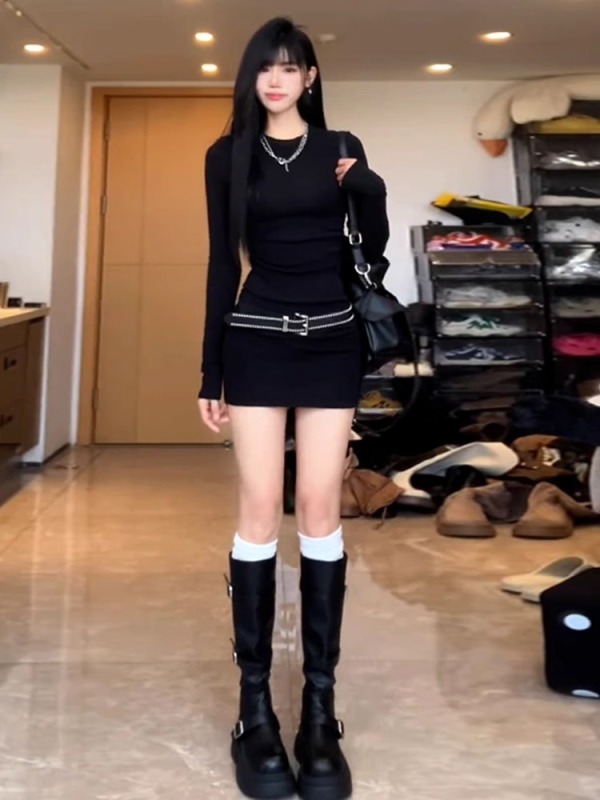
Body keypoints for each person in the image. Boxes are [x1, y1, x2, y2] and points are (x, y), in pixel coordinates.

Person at [197, 16, 389, 800]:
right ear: (253, 78)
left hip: (332, 342)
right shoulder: (227, 155)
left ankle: (317, 714)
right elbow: (222, 262)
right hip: (255, 340)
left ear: (310, 77)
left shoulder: (341, 144)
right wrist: (210, 370)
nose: (275, 80)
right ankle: (254, 712)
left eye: (289, 68)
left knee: (319, 509)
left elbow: (371, 252)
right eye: (263, 68)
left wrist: (369, 189)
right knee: (258, 510)